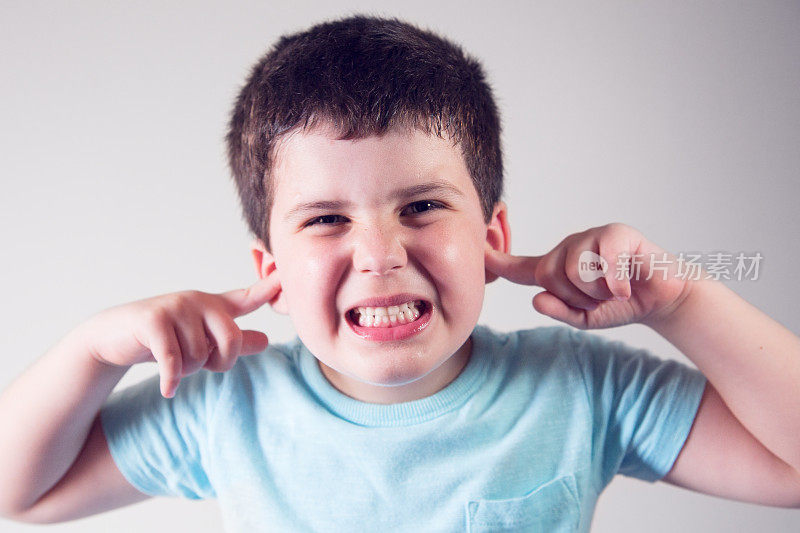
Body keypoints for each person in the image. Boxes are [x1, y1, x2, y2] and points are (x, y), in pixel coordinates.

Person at [1, 13, 799, 532]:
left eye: (421, 206)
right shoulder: (223, 408)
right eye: (325, 219)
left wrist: (683, 298)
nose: (380, 253)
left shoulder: (583, 386)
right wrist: (91, 352)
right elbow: (18, 494)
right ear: (269, 268)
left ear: (493, 235)